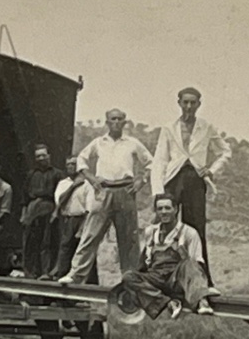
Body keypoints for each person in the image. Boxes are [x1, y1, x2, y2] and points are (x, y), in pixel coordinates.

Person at [59, 108, 153, 284]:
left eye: (120, 119)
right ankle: (76, 274)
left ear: (124, 123)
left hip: (125, 191)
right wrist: (91, 179)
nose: (116, 122)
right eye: (113, 119)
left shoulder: (132, 143)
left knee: (128, 239)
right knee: (91, 233)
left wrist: (142, 180)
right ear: (107, 122)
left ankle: (130, 277)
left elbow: (151, 162)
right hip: (103, 191)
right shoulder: (98, 142)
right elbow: (82, 159)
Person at [150, 86, 231, 282]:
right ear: (179, 103)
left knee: (196, 230)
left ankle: (203, 280)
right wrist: (158, 191)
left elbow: (225, 151)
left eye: (192, 103)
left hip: (195, 181)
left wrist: (211, 170)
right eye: (185, 102)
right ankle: (161, 276)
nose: (188, 106)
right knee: (166, 227)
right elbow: (160, 159)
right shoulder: (169, 128)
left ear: (198, 104)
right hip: (173, 180)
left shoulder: (206, 127)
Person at [119, 193, 216, 319]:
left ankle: (202, 301)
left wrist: (184, 255)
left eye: (167, 208)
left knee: (189, 263)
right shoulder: (151, 232)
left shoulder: (189, 233)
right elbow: (144, 261)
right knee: (128, 277)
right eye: (160, 209)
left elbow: (197, 265)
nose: (163, 212)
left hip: (177, 280)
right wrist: (137, 280)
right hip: (156, 278)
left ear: (175, 209)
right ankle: (168, 303)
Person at [21, 144, 64, 278]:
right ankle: (30, 271)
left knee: (47, 241)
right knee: (30, 241)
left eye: (43, 155)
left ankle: (46, 272)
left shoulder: (57, 174)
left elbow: (61, 196)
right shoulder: (31, 174)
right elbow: (25, 197)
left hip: (48, 207)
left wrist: (55, 212)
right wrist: (24, 214)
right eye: (38, 156)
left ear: (49, 156)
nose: (41, 158)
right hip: (32, 209)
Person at [50, 155, 97, 280]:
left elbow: (89, 208)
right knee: (65, 249)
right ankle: (62, 277)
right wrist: (73, 186)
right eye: (68, 164)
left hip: (81, 219)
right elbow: (60, 201)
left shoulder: (87, 184)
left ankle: (88, 284)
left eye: (74, 164)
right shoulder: (63, 184)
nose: (71, 167)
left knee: (83, 250)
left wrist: (83, 227)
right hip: (66, 220)